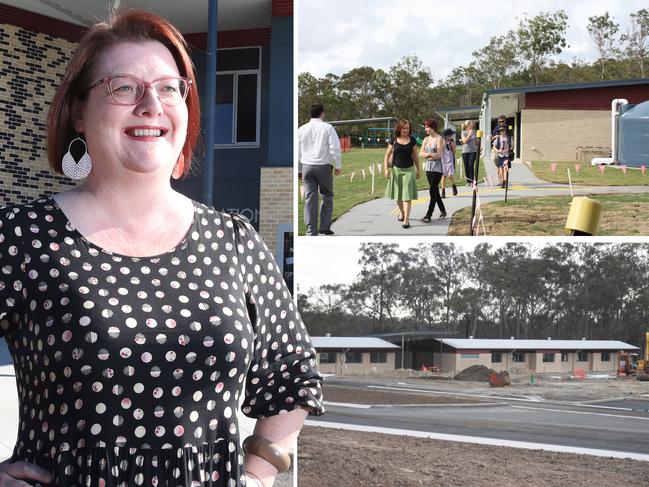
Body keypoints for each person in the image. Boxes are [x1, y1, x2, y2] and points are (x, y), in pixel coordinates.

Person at [0, 10, 323, 487]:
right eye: (124, 87)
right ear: (78, 112)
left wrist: (257, 474)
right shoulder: (23, 237)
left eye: (169, 87)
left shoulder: (232, 242)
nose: (151, 104)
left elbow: (292, 375)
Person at [297, 103, 342, 236]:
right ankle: (324, 227)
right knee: (327, 195)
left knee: (310, 198)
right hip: (323, 166)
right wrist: (338, 165)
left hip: (307, 167)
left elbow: (298, 152)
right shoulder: (328, 128)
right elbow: (335, 148)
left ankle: (311, 230)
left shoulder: (301, 129)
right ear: (322, 113)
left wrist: (299, 170)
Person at [383, 119, 421, 229]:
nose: (406, 130)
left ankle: (406, 220)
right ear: (399, 128)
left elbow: (416, 157)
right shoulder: (394, 140)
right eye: (404, 128)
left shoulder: (412, 140)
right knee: (397, 195)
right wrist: (386, 169)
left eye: (408, 128)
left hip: (409, 170)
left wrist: (418, 170)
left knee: (407, 196)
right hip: (396, 170)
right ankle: (402, 212)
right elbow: (386, 156)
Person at [419, 119, 446, 222]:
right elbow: (420, 153)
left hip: (437, 168)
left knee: (432, 189)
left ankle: (428, 214)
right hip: (428, 167)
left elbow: (438, 156)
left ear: (432, 127)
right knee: (434, 190)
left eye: (427, 126)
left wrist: (427, 155)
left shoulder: (439, 138)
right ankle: (443, 211)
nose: (425, 128)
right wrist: (430, 154)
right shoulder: (426, 139)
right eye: (425, 126)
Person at [440, 128, 458, 198]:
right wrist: (443, 144)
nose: (452, 136)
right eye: (451, 135)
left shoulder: (452, 142)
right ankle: (443, 191)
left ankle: (453, 185)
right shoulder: (441, 141)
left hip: (450, 160)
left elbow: (454, 152)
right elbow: (440, 150)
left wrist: (453, 146)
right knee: (443, 176)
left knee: (450, 175)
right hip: (443, 161)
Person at [461, 120, 478, 185]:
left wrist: (479, 139)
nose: (473, 124)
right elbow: (464, 141)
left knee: (471, 165)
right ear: (468, 125)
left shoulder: (474, 132)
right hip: (465, 152)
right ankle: (468, 181)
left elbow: (476, 142)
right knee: (466, 166)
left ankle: (472, 181)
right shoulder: (463, 132)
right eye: (471, 123)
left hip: (473, 151)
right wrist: (470, 134)